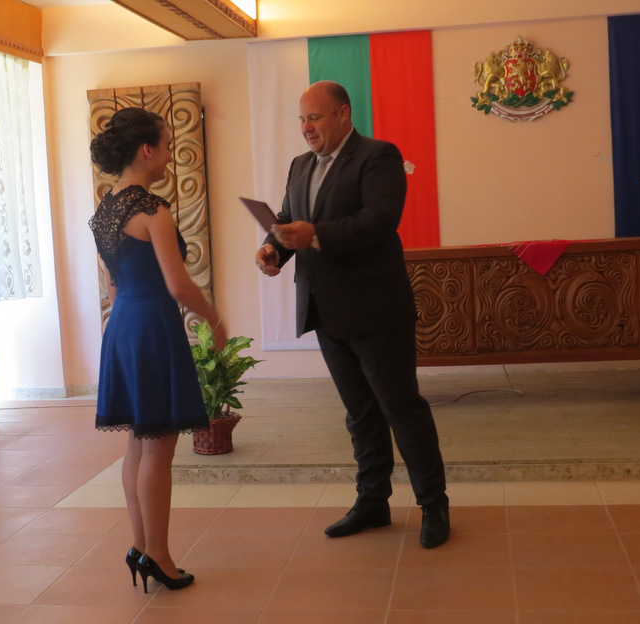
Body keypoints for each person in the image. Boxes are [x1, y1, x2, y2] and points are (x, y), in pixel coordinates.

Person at [255, 81, 450, 548]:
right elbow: (289, 219)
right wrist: (273, 249)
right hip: (325, 309)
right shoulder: (300, 165)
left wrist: (315, 234)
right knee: (359, 414)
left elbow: (379, 221)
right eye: (301, 119)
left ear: (342, 114)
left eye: (314, 117)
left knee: (401, 409)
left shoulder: (378, 156)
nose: (306, 128)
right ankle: (373, 502)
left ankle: (434, 504)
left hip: (376, 309)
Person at [89, 107, 226, 592]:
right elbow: (179, 285)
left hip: (123, 324)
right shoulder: (152, 210)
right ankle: (160, 557)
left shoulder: (105, 210)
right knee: (159, 447)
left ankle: (142, 547)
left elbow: (111, 286)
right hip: (151, 327)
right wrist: (216, 321)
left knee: (138, 442)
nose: (169, 156)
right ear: (147, 150)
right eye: (166, 147)